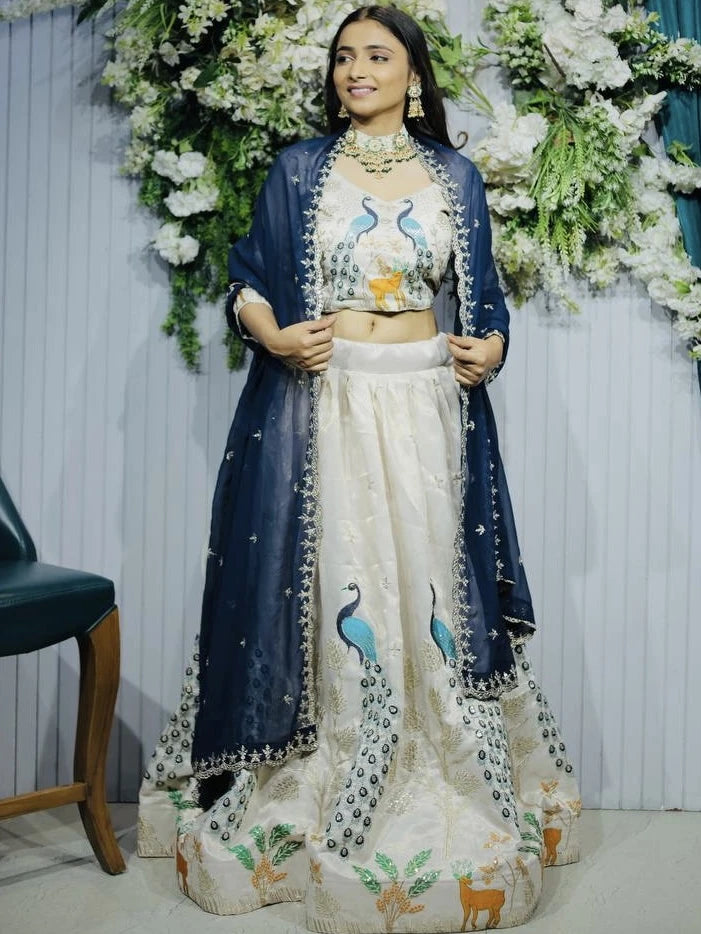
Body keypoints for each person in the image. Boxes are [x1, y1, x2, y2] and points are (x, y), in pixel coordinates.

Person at [137, 5, 581, 929]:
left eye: (377, 55)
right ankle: (312, 774)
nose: (356, 70)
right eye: (344, 57)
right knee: (338, 578)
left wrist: (491, 347)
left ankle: (450, 767)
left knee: (428, 585)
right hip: (326, 400)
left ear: (413, 75)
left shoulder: (453, 175)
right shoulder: (300, 170)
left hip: (423, 403)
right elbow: (248, 279)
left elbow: (487, 301)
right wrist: (271, 334)